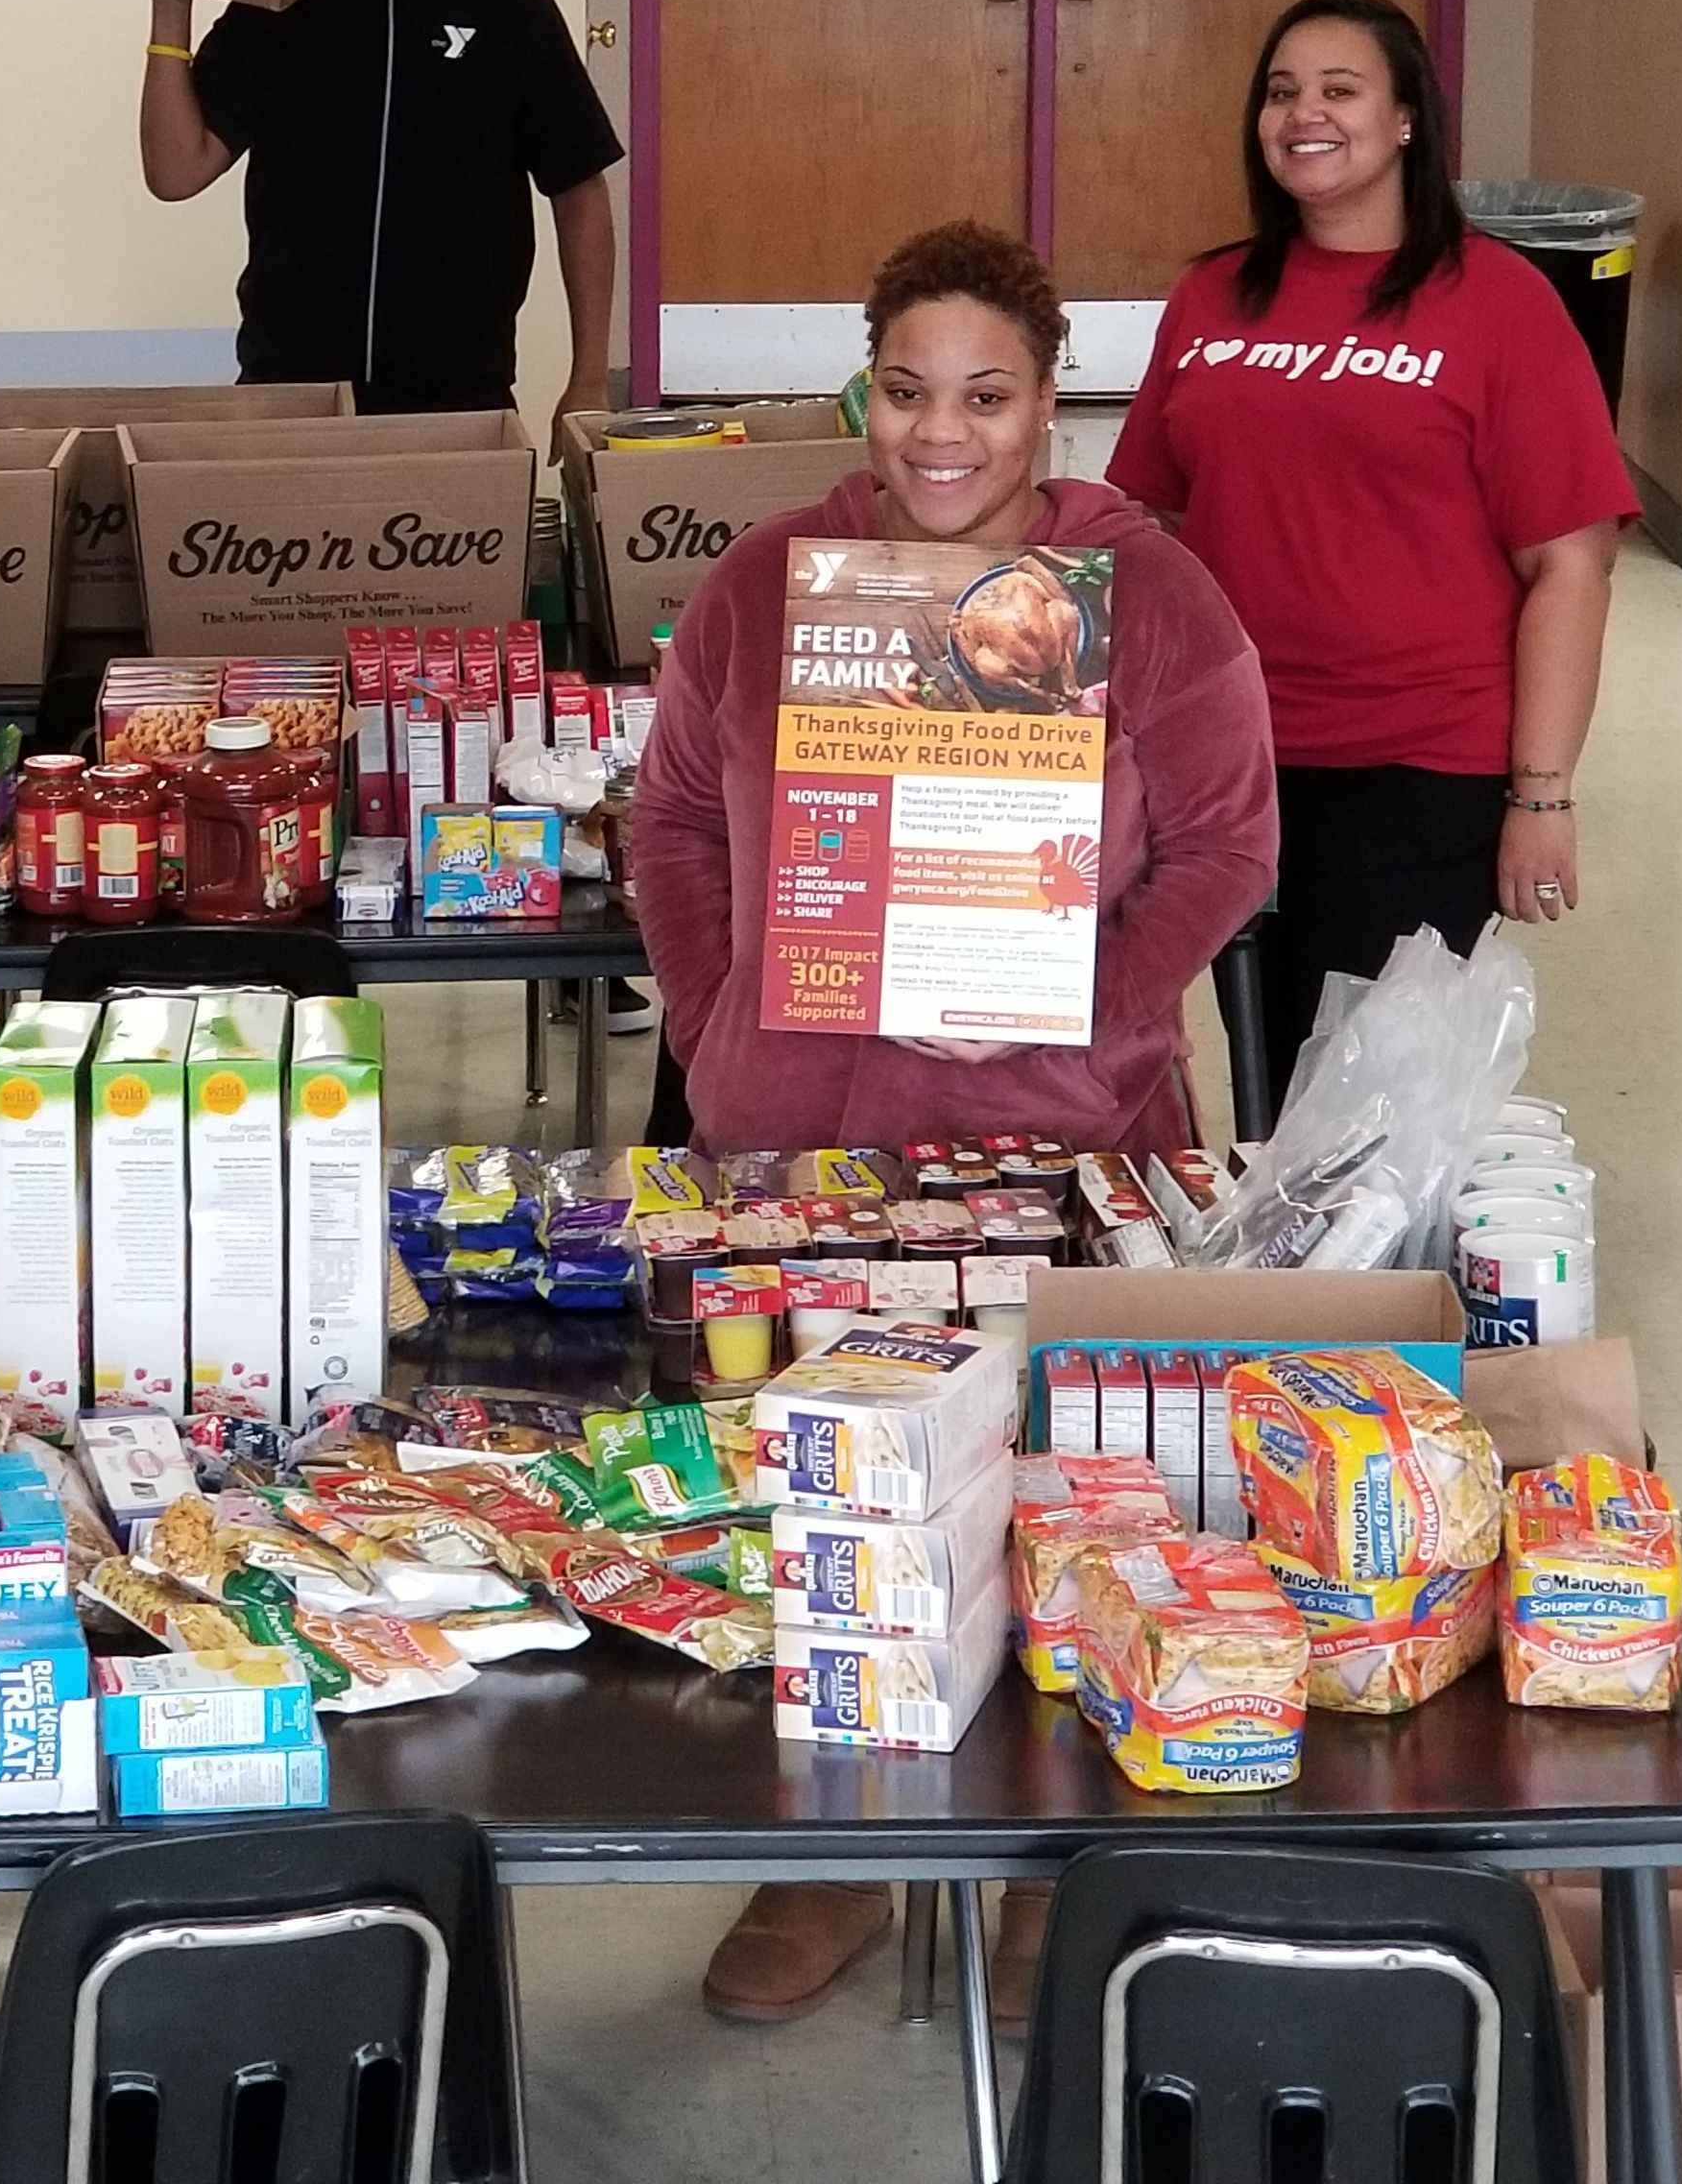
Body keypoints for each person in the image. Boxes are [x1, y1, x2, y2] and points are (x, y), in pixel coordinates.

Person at [627, 221, 1276, 2023]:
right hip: (799, 1137)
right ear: (864, 390)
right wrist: (710, 1007)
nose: (942, 430)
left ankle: (1046, 1862)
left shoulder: (1147, 597)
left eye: (985, 394)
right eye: (907, 388)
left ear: (1044, 405)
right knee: (818, 1501)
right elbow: (673, 815)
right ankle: (831, 1854)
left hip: (1054, 1131)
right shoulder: (772, 582)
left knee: (1051, 1509)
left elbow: (1228, 849)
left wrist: (1086, 1009)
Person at [1105, 0, 1631, 1119]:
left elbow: (1570, 567)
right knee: (1250, 1063)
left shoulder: (1500, 305)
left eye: (1341, 91)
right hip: (1225, 753)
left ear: (1405, 121)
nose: (1305, 113)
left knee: (1356, 1090)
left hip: (1413, 760)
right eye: (1281, 92)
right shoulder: (1213, 295)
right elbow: (1148, 525)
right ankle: (1284, 1287)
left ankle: (1375, 1294)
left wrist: (1542, 797)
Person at [138, 0, 624, 419]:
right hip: (290, 391)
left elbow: (580, 192)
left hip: (460, 401)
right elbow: (176, 170)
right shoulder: (281, 3)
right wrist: (171, 0)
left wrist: (588, 380)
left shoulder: (514, 10)